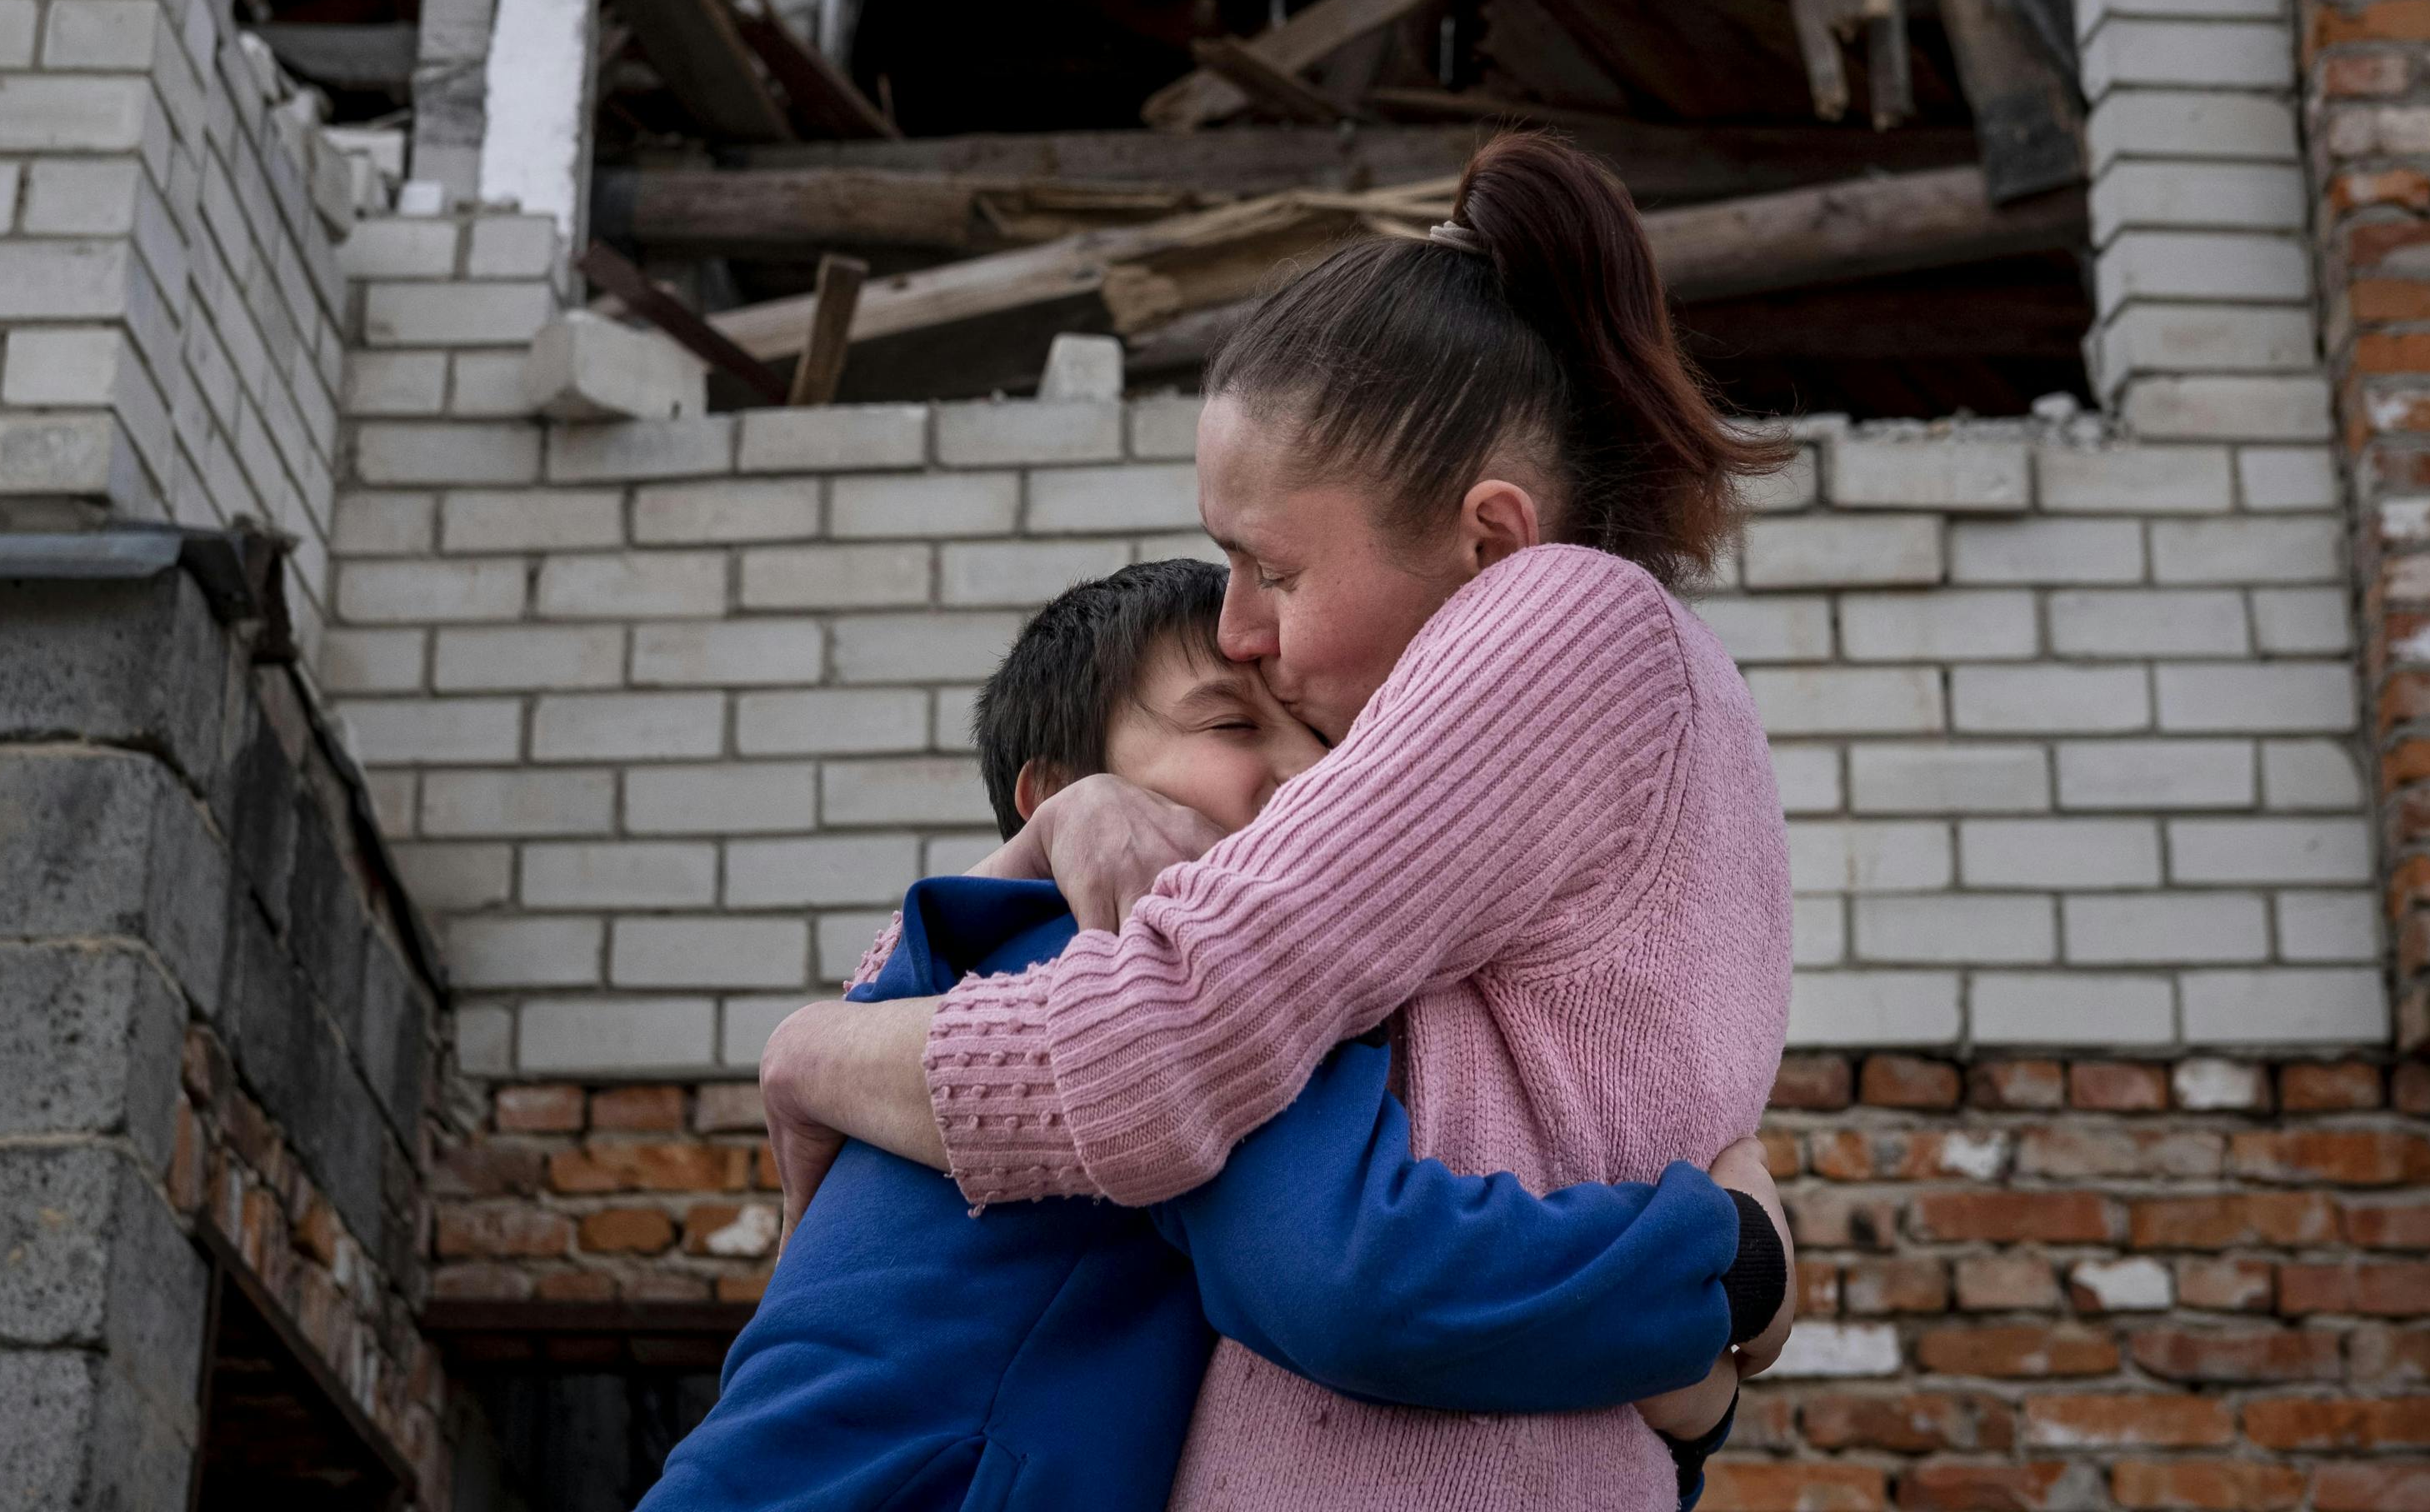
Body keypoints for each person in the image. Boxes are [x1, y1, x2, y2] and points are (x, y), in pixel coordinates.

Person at [759, 130, 1798, 1510]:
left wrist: (817, 1049)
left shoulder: (1566, 620)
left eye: (1273, 569)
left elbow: (1165, 1057)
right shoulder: (1660, 717)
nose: (1240, 630)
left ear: (1489, 539)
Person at [644, 560, 1791, 1512]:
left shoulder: (955, 969)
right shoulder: (1135, 968)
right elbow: (1360, 1275)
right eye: (1233, 724)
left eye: (1323, 736)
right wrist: (1727, 1266)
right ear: (1056, 795)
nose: (1302, 773)